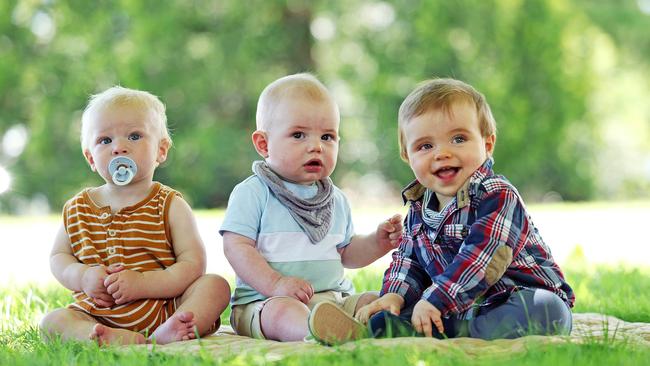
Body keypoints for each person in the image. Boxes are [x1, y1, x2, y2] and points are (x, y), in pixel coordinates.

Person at [351, 77, 575, 340]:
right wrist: (395, 294)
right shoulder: (418, 209)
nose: (442, 153)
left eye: (458, 139)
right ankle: (407, 325)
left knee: (546, 310)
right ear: (407, 156)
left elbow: (484, 258)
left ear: (487, 144)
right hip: (459, 306)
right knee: (395, 309)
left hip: (514, 296)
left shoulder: (497, 195)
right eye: (425, 146)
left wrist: (436, 300)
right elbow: (409, 260)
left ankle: (447, 332)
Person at [220, 73, 402, 344]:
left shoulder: (335, 199)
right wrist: (276, 284)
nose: (316, 146)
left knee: (374, 299)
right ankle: (321, 332)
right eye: (298, 135)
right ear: (263, 144)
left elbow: (346, 253)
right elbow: (236, 247)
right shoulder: (254, 192)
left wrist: (377, 243)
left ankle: (363, 326)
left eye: (328, 137)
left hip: (332, 299)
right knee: (283, 313)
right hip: (265, 302)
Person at [40, 86, 231, 346]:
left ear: (161, 150)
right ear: (91, 158)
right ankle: (108, 337)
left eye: (134, 136)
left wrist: (143, 283)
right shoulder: (77, 208)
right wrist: (83, 277)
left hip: (165, 308)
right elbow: (58, 258)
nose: (119, 147)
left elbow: (193, 264)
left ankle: (172, 329)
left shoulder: (169, 204)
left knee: (215, 286)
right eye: (105, 140)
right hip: (98, 312)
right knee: (52, 322)